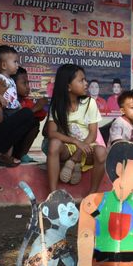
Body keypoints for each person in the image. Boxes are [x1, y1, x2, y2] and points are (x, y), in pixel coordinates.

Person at [45, 64, 108, 192]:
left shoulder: (90, 103)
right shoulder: (57, 106)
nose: (86, 84)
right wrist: (75, 142)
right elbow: (51, 133)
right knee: (54, 144)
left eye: (85, 80)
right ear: (68, 86)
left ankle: (92, 194)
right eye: (81, 80)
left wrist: (76, 155)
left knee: (101, 152)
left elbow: (93, 134)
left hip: (87, 147)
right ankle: (53, 194)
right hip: (69, 147)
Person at [0, 45, 39, 164]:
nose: (17, 64)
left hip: (13, 109)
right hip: (5, 111)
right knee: (8, 135)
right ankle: (5, 156)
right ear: (4, 65)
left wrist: (19, 106)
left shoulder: (10, 80)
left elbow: (13, 97)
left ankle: (14, 155)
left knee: (25, 125)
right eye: (15, 62)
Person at [12, 66, 48, 163]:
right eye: (24, 83)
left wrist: (40, 106)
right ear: (12, 84)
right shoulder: (9, 101)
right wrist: (35, 108)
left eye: (28, 83)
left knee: (34, 123)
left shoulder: (26, 101)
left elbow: (41, 116)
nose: (28, 87)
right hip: (6, 145)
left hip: (18, 146)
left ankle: (22, 154)